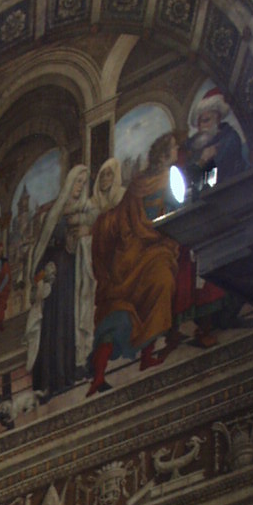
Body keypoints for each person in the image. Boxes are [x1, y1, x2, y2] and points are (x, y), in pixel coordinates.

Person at [86, 133, 181, 396]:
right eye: (174, 147)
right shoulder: (151, 182)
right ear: (164, 154)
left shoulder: (146, 182)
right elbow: (127, 220)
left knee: (156, 287)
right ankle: (99, 375)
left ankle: (144, 357)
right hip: (141, 251)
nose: (177, 151)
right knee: (138, 296)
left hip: (144, 253)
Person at [29, 165, 96, 399]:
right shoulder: (56, 212)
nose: (80, 187)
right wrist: (42, 272)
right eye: (77, 181)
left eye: (83, 183)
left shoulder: (86, 210)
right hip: (57, 274)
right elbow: (43, 246)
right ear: (69, 183)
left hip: (75, 272)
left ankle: (70, 371)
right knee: (55, 323)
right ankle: (53, 378)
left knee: (71, 320)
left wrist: (84, 236)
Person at [184, 90, 247, 192]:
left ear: (217, 119)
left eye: (206, 120)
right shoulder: (195, 147)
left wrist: (205, 161)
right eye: (199, 123)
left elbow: (217, 171)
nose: (202, 127)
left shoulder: (230, 138)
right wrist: (202, 160)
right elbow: (188, 178)